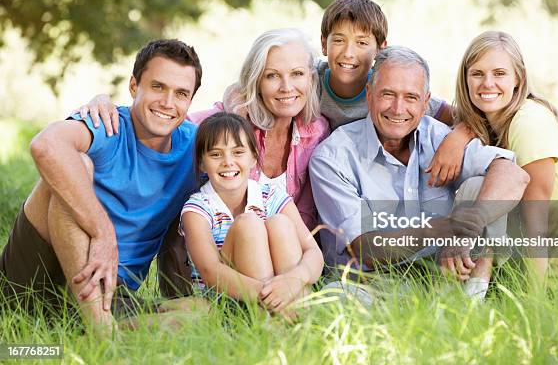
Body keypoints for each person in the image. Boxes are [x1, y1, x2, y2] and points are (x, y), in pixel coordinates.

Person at [0, 39, 202, 332]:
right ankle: (102, 335)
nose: (168, 103)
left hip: (111, 291)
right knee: (77, 166)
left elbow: (238, 152)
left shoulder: (194, 146)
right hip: (34, 277)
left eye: (181, 93)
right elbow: (46, 145)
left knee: (201, 310)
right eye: (158, 86)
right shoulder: (107, 123)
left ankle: (91, 328)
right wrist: (102, 231)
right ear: (134, 86)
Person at [309, 46, 530, 299]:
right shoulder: (333, 156)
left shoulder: (438, 137)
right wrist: (443, 228)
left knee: (482, 186)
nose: (398, 108)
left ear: (426, 103)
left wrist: (470, 224)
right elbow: (366, 249)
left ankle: (471, 307)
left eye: (411, 97)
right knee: (334, 300)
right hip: (367, 283)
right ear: (369, 95)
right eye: (388, 94)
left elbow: (513, 174)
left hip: (441, 276)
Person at [80, 28, 329, 230]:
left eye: (297, 74)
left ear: (310, 78)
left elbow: (306, 216)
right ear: (256, 81)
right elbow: (163, 118)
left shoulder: (317, 132)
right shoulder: (222, 122)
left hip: (286, 253)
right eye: (272, 76)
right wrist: (104, 103)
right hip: (225, 252)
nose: (287, 87)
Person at [453, 30, 558, 283]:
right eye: (477, 73)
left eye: (500, 73)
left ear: (519, 78)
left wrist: (535, 300)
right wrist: (457, 135)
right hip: (540, 273)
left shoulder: (529, 122)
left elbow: (536, 219)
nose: (487, 83)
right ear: (465, 79)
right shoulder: (490, 124)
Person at [318, 0, 475, 187]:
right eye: (339, 40)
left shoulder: (388, 90)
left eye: (362, 43)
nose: (348, 53)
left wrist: (458, 139)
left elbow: (466, 117)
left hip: (373, 179)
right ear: (324, 43)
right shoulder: (309, 82)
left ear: (381, 48)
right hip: (328, 172)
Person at [181, 112, 323, 314]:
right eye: (215, 154)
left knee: (280, 224)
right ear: (202, 163)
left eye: (238, 152)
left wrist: (294, 279)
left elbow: (314, 252)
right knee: (248, 224)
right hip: (226, 302)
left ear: (254, 157)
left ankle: (294, 316)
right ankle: (274, 319)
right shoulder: (197, 209)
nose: (228, 162)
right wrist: (270, 294)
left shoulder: (272, 197)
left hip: (284, 294)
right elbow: (211, 272)